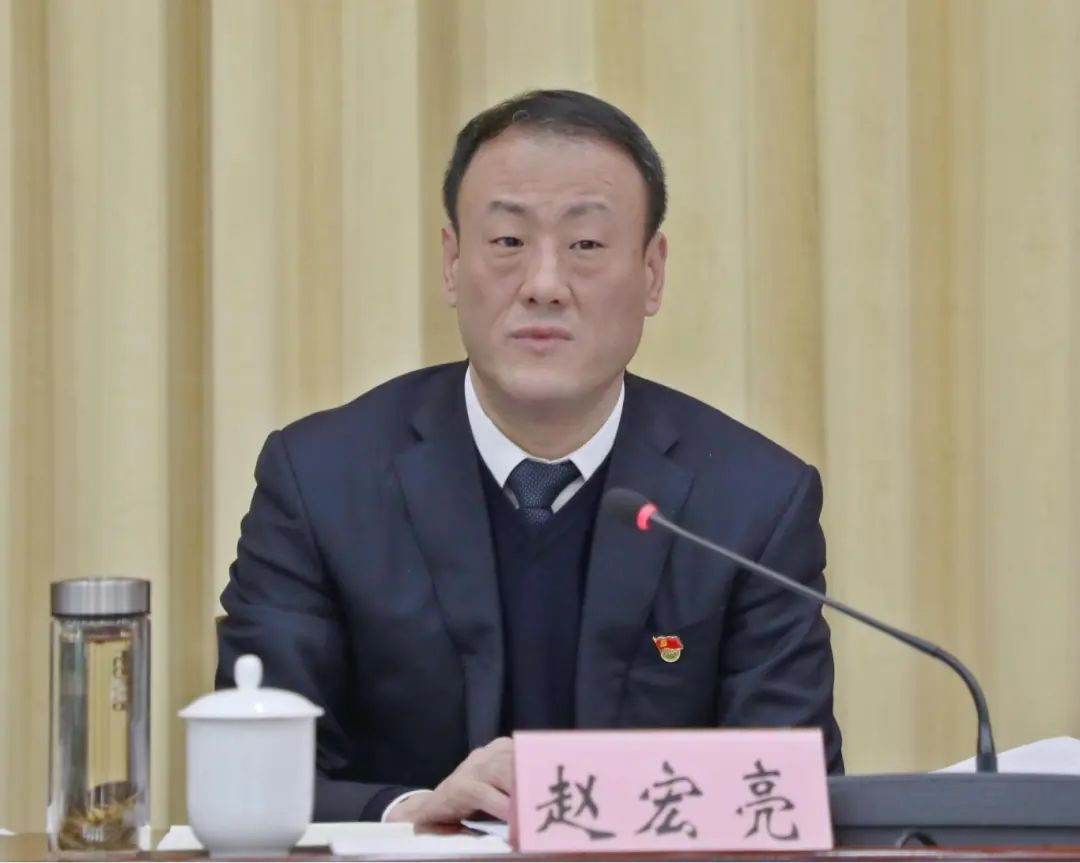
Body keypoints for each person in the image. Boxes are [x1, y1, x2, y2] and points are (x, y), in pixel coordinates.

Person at [216, 89, 843, 826]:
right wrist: (413, 812)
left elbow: (788, 794)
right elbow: (254, 776)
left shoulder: (752, 503)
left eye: (586, 246)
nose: (544, 285)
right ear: (453, 263)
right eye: (509, 242)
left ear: (652, 272)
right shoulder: (320, 480)